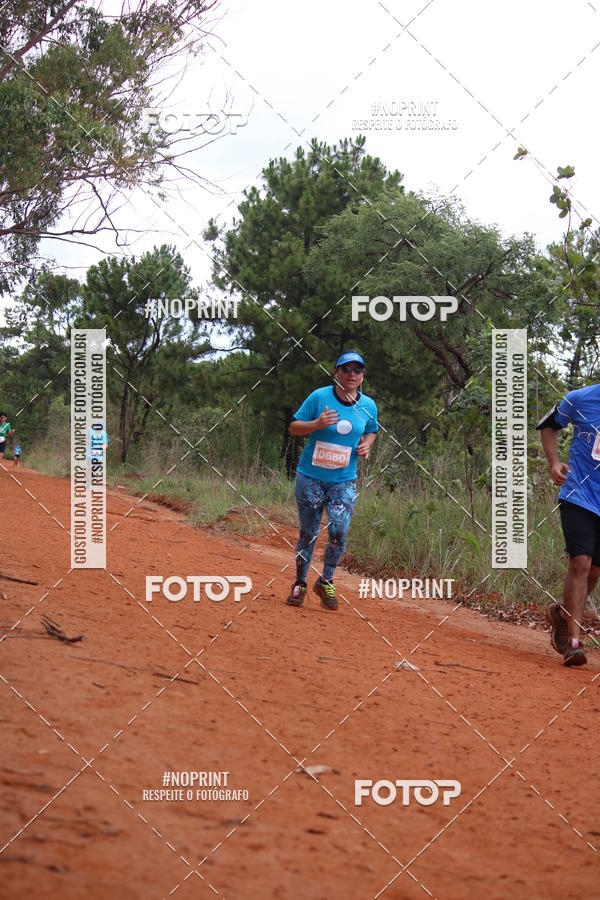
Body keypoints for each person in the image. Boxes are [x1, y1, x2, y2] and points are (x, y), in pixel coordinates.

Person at [286, 351, 378, 611]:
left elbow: (371, 431)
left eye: (357, 370)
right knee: (309, 532)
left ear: (362, 376)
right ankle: (300, 583)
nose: (351, 374)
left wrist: (366, 447)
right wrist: (316, 423)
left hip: (344, 481)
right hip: (311, 478)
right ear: (335, 372)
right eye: (346, 369)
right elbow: (294, 427)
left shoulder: (368, 406)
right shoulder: (319, 397)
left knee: (339, 532)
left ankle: (326, 580)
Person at [537, 384, 600, 666]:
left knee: (594, 574)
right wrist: (554, 463)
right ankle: (574, 643)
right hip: (579, 494)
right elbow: (548, 426)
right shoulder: (579, 399)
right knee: (581, 563)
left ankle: (563, 615)